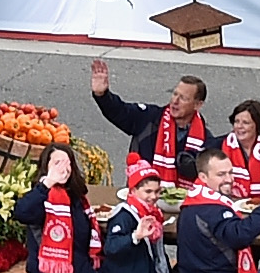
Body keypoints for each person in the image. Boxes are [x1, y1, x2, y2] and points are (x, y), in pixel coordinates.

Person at [12, 144, 120, 273]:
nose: (64, 167)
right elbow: (21, 213)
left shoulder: (75, 197)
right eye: (57, 163)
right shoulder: (43, 197)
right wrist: (47, 184)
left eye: (68, 162)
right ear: (46, 168)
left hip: (77, 263)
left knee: (118, 268)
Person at [88, 57, 210, 186]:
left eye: (183, 98)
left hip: (180, 202)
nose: (175, 101)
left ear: (197, 105)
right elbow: (120, 112)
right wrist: (103, 95)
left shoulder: (205, 141)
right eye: (175, 94)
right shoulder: (149, 118)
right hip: (141, 196)